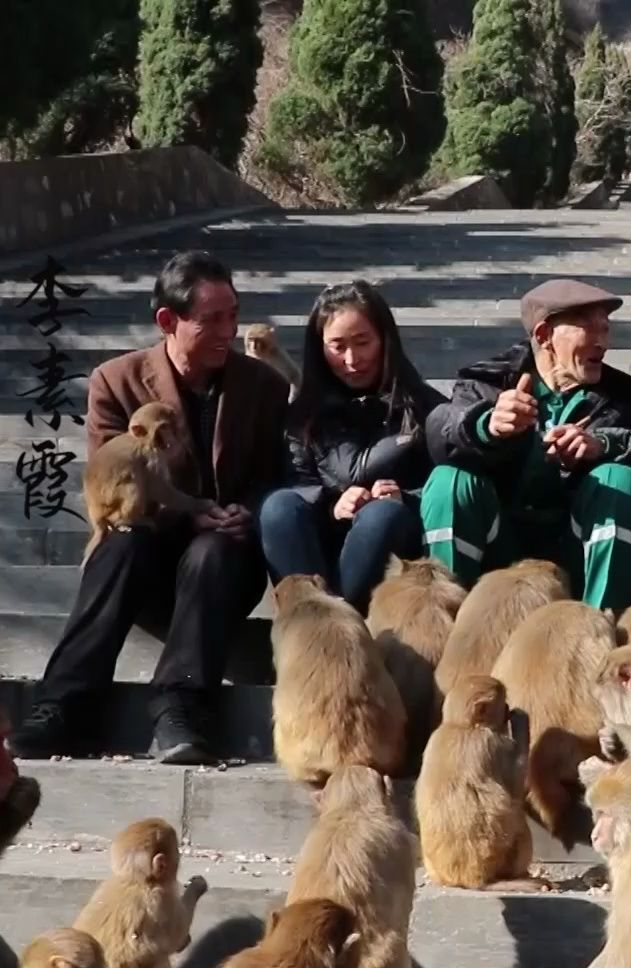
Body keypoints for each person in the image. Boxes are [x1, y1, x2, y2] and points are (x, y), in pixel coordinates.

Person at [7, 251, 289, 765]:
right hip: (149, 548)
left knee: (213, 550)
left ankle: (181, 707)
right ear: (168, 320)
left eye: (233, 314)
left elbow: (276, 477)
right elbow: (112, 483)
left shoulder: (264, 386)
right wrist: (187, 511)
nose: (229, 330)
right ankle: (63, 704)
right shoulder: (117, 381)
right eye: (212, 320)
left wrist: (244, 510)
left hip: (222, 563)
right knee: (119, 546)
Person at [421, 278, 631, 610]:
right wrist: (486, 426)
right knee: (450, 481)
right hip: (499, 546)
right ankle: (451, 633)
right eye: (589, 328)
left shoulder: (628, 398)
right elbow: (438, 432)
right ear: (545, 336)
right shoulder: (488, 383)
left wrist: (604, 446)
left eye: (605, 329)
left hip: (578, 550)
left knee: (620, 480)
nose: (602, 341)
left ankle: (600, 630)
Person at [258, 282, 443, 614]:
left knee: (380, 515)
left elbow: (443, 486)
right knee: (278, 506)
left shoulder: (424, 408)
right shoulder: (304, 415)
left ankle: (331, 628)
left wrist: (405, 499)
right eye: (337, 346)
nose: (352, 360)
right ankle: (324, 623)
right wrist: (334, 506)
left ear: (385, 340)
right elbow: (297, 484)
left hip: (388, 555)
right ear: (320, 348)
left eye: (362, 343)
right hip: (320, 554)